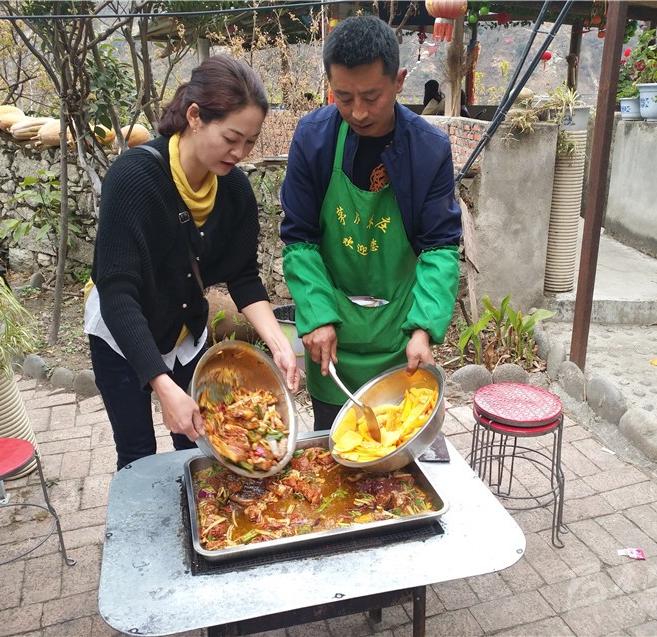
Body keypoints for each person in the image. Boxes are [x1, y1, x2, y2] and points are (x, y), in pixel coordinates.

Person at [85, 54, 300, 470]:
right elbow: (117, 293)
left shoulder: (234, 190)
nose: (240, 153)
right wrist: (163, 387)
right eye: (231, 138)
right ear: (195, 116)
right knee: (137, 454)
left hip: (184, 333)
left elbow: (243, 276)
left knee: (200, 445)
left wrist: (279, 344)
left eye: (250, 142)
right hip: (122, 334)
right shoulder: (133, 180)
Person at [280, 15, 462, 430]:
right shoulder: (313, 138)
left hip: (400, 338)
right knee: (332, 449)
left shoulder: (428, 149)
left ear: (398, 81)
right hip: (333, 339)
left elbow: (439, 248)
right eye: (343, 97)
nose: (358, 112)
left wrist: (423, 330)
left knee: (398, 453)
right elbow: (300, 240)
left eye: (371, 96)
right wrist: (317, 315)